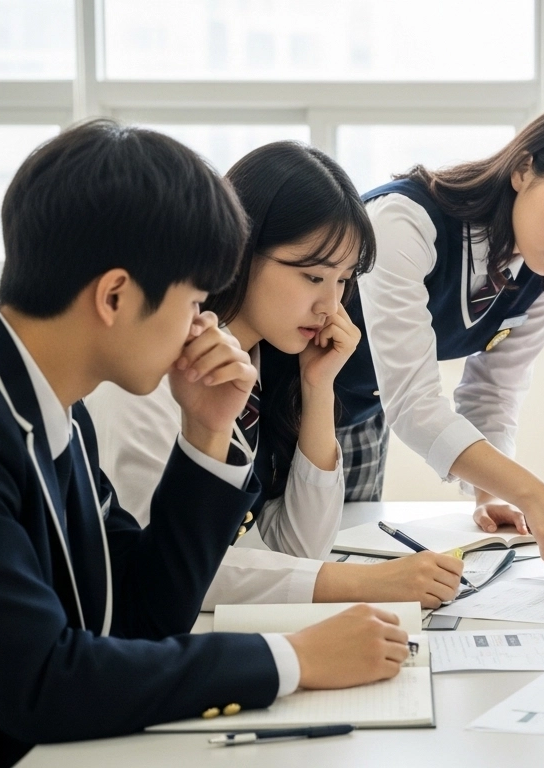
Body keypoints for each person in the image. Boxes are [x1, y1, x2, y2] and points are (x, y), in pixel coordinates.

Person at [0, 121, 411, 767]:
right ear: (115, 295)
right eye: (194, 300)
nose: (202, 324)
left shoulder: (53, 406)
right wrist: (293, 658)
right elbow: (43, 682)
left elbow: (142, 612)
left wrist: (205, 432)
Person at [86, 141, 464, 609]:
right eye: (313, 276)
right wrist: (364, 583)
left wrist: (318, 388)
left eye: (344, 280)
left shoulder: (267, 366)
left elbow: (300, 549)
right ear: (241, 249)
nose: (331, 305)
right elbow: (165, 566)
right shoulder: (151, 374)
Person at [317, 99, 544, 573]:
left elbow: (491, 394)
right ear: (523, 169)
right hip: (266, 400)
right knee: (260, 571)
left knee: (334, 567)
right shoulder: (403, 222)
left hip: (356, 421)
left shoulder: (543, 272)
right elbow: (413, 404)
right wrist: (536, 496)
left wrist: (490, 492)